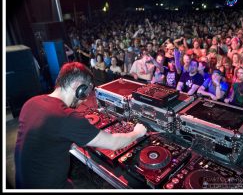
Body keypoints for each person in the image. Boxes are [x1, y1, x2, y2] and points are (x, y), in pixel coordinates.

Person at [14, 62, 147, 189]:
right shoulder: (66, 117)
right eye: (86, 93)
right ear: (78, 86)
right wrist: (137, 132)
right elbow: (113, 143)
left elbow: (47, 138)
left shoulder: (31, 102)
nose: (84, 99)